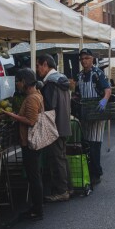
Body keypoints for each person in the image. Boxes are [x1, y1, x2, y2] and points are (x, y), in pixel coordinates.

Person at [3, 68, 45, 221]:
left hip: (30, 142)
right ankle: (36, 207)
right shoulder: (37, 95)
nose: (17, 84)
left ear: (25, 82)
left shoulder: (32, 98)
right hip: (33, 141)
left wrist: (12, 115)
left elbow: (31, 121)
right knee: (35, 175)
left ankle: (37, 209)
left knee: (33, 176)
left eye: (18, 81)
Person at [72, 49, 111, 183]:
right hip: (85, 113)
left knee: (95, 143)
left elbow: (107, 90)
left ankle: (96, 173)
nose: (84, 61)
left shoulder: (98, 73)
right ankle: (90, 170)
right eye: (82, 59)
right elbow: (77, 92)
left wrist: (104, 100)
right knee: (87, 143)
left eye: (87, 58)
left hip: (97, 112)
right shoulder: (80, 75)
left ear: (92, 59)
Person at [37, 55, 72, 202]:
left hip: (54, 126)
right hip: (64, 123)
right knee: (61, 157)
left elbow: (50, 106)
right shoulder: (61, 79)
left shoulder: (51, 83)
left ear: (45, 64)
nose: (38, 70)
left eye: (38, 66)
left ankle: (62, 191)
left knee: (57, 159)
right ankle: (68, 187)